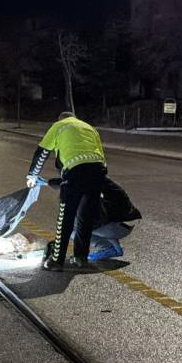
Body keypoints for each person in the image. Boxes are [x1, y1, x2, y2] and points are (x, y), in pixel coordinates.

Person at [27, 111, 107, 271]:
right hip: (98, 171)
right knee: (85, 218)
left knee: (66, 218)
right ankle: (81, 258)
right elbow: (101, 155)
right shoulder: (89, 128)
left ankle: (56, 261)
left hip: (75, 172)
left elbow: (42, 152)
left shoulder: (59, 126)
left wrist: (32, 175)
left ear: (60, 119)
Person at [43, 175, 141, 263]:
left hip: (118, 224)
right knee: (91, 218)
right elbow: (64, 183)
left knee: (74, 229)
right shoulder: (95, 176)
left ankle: (109, 248)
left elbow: (89, 222)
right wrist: (45, 182)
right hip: (129, 219)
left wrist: (59, 245)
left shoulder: (83, 188)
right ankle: (114, 246)